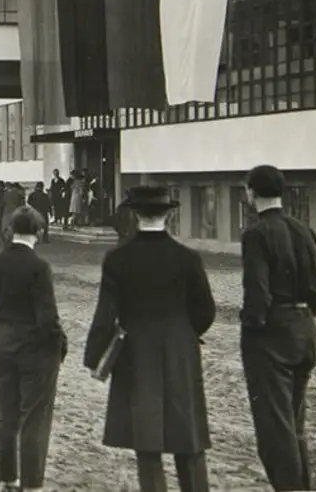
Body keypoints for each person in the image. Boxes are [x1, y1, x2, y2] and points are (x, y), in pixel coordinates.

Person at [83, 185, 216, 492]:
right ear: (169, 215)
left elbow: (105, 315)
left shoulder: (117, 259)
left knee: (147, 441)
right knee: (188, 436)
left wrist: (94, 357)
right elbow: (206, 311)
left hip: (136, 352)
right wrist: (184, 332)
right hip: (181, 349)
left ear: (134, 215)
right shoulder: (188, 258)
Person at [238, 165, 316, 491]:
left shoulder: (256, 234)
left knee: (275, 433)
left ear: (251, 193)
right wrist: (301, 317)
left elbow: (257, 295)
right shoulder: (304, 231)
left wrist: (254, 326)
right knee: (295, 427)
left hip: (271, 339)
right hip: (304, 332)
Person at [0, 206, 67, 492]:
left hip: (4, 344)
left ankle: (8, 478)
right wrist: (59, 345)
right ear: (39, 233)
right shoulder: (39, 268)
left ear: (11, 231)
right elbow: (47, 318)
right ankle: (31, 484)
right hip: (36, 350)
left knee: (7, 413)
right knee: (34, 417)